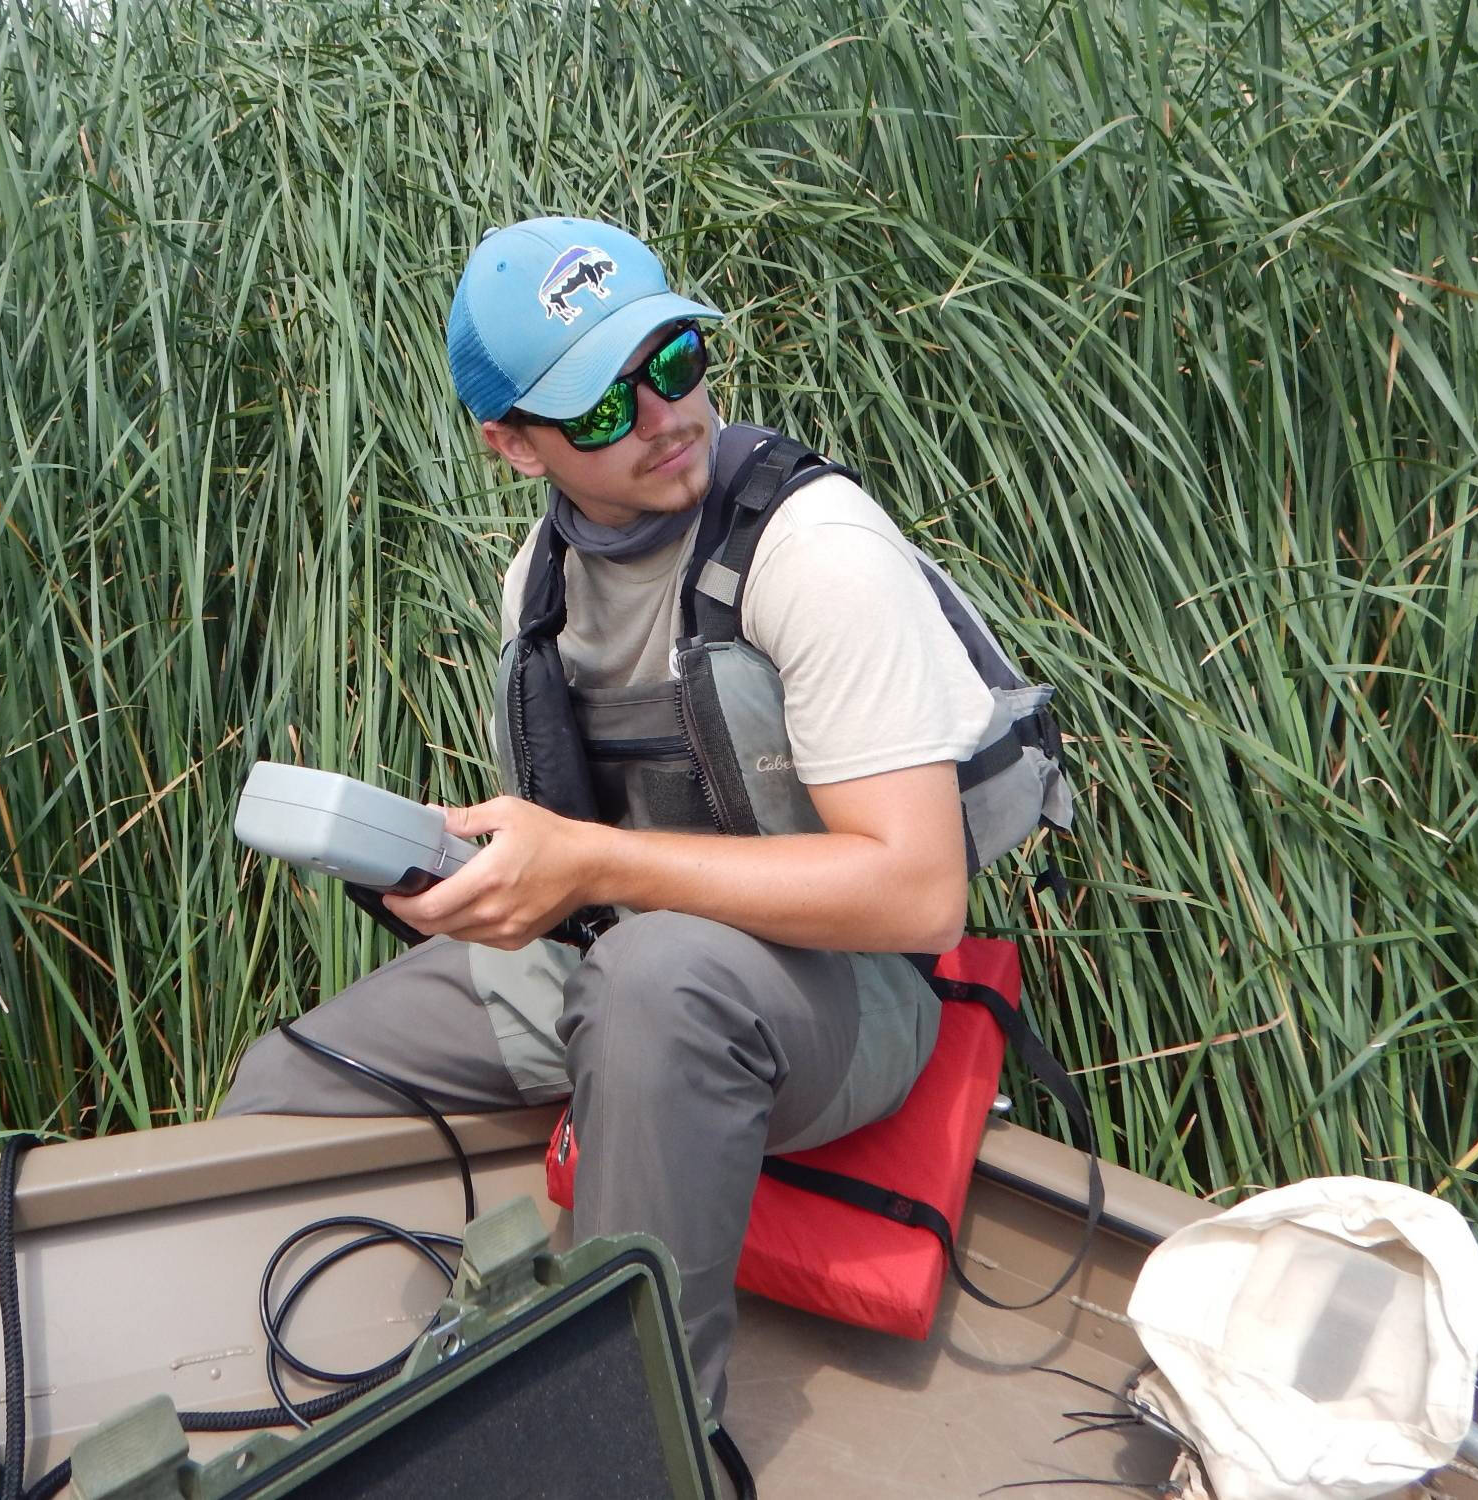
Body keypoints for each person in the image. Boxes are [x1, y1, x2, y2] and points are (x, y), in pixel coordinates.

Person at [220, 215, 999, 1417]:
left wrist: (585, 864)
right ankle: (355, 1410)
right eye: (598, 408)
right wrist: (487, 875)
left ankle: (638, 1437)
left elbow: (916, 892)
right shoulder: (536, 579)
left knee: (650, 981)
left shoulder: (813, 550)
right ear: (512, 444)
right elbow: (575, 841)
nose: (663, 418)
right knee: (281, 1086)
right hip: (621, 945)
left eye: (674, 361)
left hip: (846, 995)